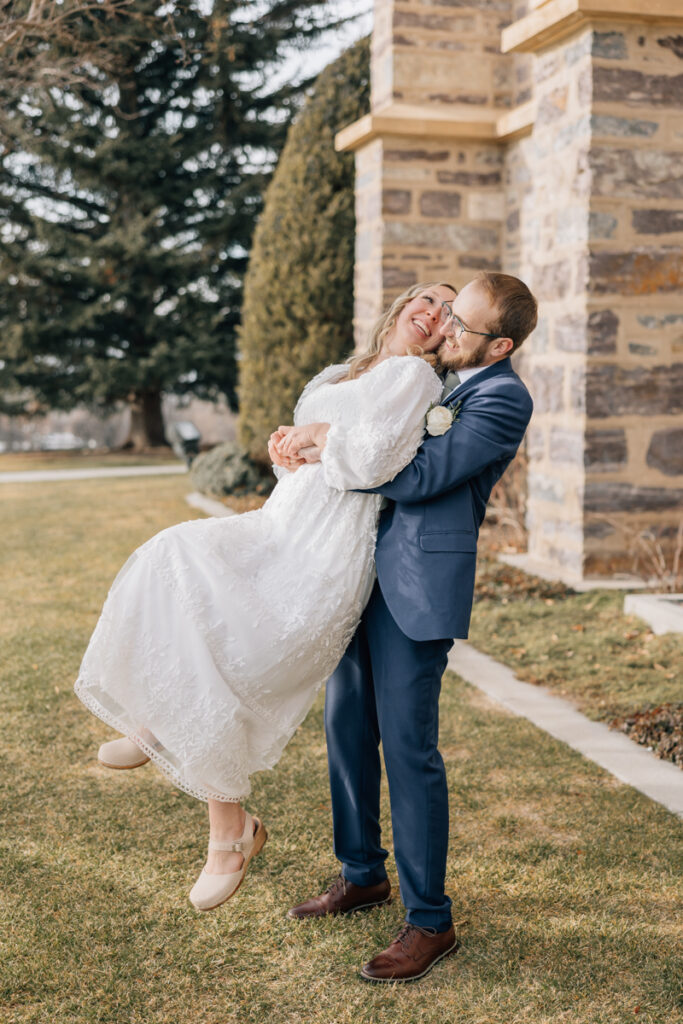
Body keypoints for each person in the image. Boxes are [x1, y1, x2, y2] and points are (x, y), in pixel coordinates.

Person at [74, 280, 457, 913]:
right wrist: (290, 449)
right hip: (279, 524)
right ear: (403, 303)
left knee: (232, 657)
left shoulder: (416, 378)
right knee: (171, 559)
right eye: (428, 299)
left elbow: (374, 463)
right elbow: (308, 459)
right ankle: (168, 739)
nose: (434, 313)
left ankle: (226, 833)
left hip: (326, 549)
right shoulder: (345, 372)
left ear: (448, 336)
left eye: (447, 313)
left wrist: (320, 438)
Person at [280, 272, 537, 984]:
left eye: (464, 325)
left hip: (415, 587)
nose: (447, 329)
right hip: (353, 570)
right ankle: (361, 873)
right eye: (448, 316)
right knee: (345, 726)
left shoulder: (501, 396)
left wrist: (331, 444)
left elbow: (421, 475)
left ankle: (430, 921)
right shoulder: (439, 379)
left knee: (408, 748)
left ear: (500, 345)